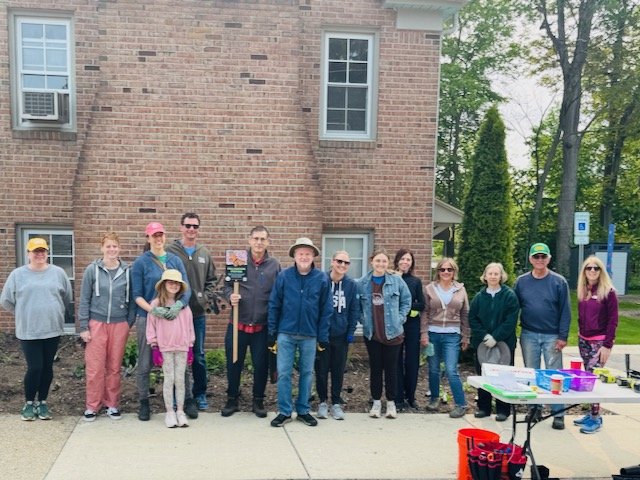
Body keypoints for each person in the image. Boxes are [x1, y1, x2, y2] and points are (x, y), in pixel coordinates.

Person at [1, 238, 72, 421]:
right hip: (29, 330)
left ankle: (42, 402)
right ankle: (29, 403)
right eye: (35, 251)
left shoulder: (58, 273)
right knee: (35, 367)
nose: (39, 254)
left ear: (47, 252)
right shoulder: (18, 275)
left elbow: (66, 297)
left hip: (52, 329)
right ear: (28, 254)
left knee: (47, 367)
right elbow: (6, 300)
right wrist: (23, 313)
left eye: (43, 251)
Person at [268, 237, 332, 427]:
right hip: (285, 333)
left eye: (308, 254)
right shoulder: (284, 277)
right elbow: (274, 304)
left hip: (310, 335)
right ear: (294, 256)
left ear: (313, 256)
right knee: (284, 373)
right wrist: (272, 332)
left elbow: (326, 310)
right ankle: (285, 411)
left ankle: (303, 410)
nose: (304, 257)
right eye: (301, 253)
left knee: (307, 373)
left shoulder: (321, 279)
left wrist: (323, 336)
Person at [131, 222, 190, 421]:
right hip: (148, 317)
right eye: (154, 235)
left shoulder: (175, 260)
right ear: (148, 238)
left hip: (175, 317)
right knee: (146, 360)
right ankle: (144, 401)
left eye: (161, 235)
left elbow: (186, 288)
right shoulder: (141, 263)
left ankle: (185, 401)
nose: (158, 238)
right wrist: (154, 310)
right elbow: (137, 295)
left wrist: (179, 305)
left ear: (165, 237)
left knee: (181, 360)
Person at [221, 226, 281, 418]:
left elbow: (279, 292)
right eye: (256, 238)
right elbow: (226, 286)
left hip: (261, 327)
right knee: (234, 363)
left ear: (268, 242)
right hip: (238, 324)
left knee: (261, 365)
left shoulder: (274, 265)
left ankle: (258, 400)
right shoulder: (237, 260)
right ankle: (232, 399)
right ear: (249, 240)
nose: (259, 242)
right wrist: (230, 296)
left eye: (263, 239)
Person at [79, 232, 136, 421]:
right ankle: (92, 406)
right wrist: (84, 326)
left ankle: (112, 404)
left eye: (115, 246)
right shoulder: (92, 270)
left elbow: (132, 301)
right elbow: (84, 299)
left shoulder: (127, 271)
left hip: (119, 324)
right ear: (102, 248)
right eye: (108, 246)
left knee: (114, 367)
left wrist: (128, 323)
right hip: (97, 323)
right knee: (95, 367)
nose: (112, 249)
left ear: (119, 248)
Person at [514, 242, 571, 430]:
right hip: (528, 334)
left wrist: (563, 336)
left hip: (552, 336)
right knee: (532, 374)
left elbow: (566, 311)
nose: (540, 260)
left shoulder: (559, 282)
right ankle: (534, 409)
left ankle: (558, 413)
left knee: (555, 375)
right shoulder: (521, 282)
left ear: (548, 259)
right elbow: (514, 308)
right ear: (530, 259)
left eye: (543, 256)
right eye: (536, 256)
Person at [166, 212, 217, 412]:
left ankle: (200, 393)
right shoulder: (170, 251)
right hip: (175, 314)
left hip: (197, 314)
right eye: (188, 225)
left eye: (195, 226)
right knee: (175, 355)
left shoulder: (204, 253)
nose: (191, 229)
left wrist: (204, 298)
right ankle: (177, 395)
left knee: (198, 355)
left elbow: (212, 280)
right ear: (181, 227)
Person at [357, 249, 411, 419]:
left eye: (384, 261)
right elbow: (357, 306)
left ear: (388, 263)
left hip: (393, 333)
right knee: (375, 368)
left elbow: (406, 301)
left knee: (391, 369)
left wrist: (400, 318)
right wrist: (363, 320)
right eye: (378, 261)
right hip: (372, 333)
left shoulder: (397, 281)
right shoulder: (362, 283)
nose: (381, 264)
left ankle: (391, 403)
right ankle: (376, 402)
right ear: (371, 262)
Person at [469, 262, 520, 422]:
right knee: (484, 375)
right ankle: (484, 408)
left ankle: (503, 410)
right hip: (483, 344)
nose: (493, 276)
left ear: (501, 276)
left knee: (503, 376)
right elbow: (473, 318)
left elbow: (511, 320)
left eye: (496, 274)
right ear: (485, 276)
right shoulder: (479, 297)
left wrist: (496, 337)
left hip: (504, 343)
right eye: (490, 274)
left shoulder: (509, 295)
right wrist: (485, 336)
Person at [573, 255, 618, 434]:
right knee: (588, 377)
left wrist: (607, 345)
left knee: (594, 378)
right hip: (583, 339)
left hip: (599, 342)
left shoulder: (608, 292)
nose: (592, 271)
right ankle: (590, 413)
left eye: (596, 268)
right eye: (588, 268)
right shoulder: (583, 290)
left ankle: (596, 418)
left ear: (601, 271)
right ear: (584, 271)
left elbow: (613, 320)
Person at [146, 269, 195, 428]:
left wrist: (190, 346)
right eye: (170, 282)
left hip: (182, 347)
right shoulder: (156, 305)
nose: (174, 286)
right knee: (169, 379)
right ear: (164, 284)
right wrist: (154, 346)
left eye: (177, 283)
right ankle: (169, 412)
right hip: (165, 348)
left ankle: (180, 411)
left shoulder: (183, 306)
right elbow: (151, 327)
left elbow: (190, 327)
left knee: (180, 379)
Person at [421, 257, 470, 418]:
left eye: (449, 269)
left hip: (452, 335)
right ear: (438, 272)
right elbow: (424, 312)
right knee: (434, 369)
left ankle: (461, 404)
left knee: (451, 369)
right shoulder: (429, 289)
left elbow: (465, 313)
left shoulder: (460, 289)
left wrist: (466, 336)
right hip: (433, 333)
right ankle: (434, 399)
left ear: (454, 271)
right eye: (442, 269)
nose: (446, 272)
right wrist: (424, 334)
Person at [315, 250, 360, 420]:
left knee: (338, 370)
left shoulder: (351, 285)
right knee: (321, 370)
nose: (342, 265)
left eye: (346, 263)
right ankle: (322, 402)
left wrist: (350, 332)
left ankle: (335, 403)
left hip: (341, 335)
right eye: (339, 261)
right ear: (332, 262)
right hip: (323, 335)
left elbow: (354, 310)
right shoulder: (322, 281)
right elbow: (315, 307)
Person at [393, 248, 425, 411]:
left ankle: (410, 397)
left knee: (412, 361)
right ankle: (398, 398)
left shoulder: (415, 281)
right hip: (395, 325)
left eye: (408, 260)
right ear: (397, 261)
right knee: (396, 361)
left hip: (412, 325)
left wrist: (406, 306)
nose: (405, 262)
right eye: (403, 259)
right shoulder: (391, 279)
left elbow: (422, 304)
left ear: (411, 263)